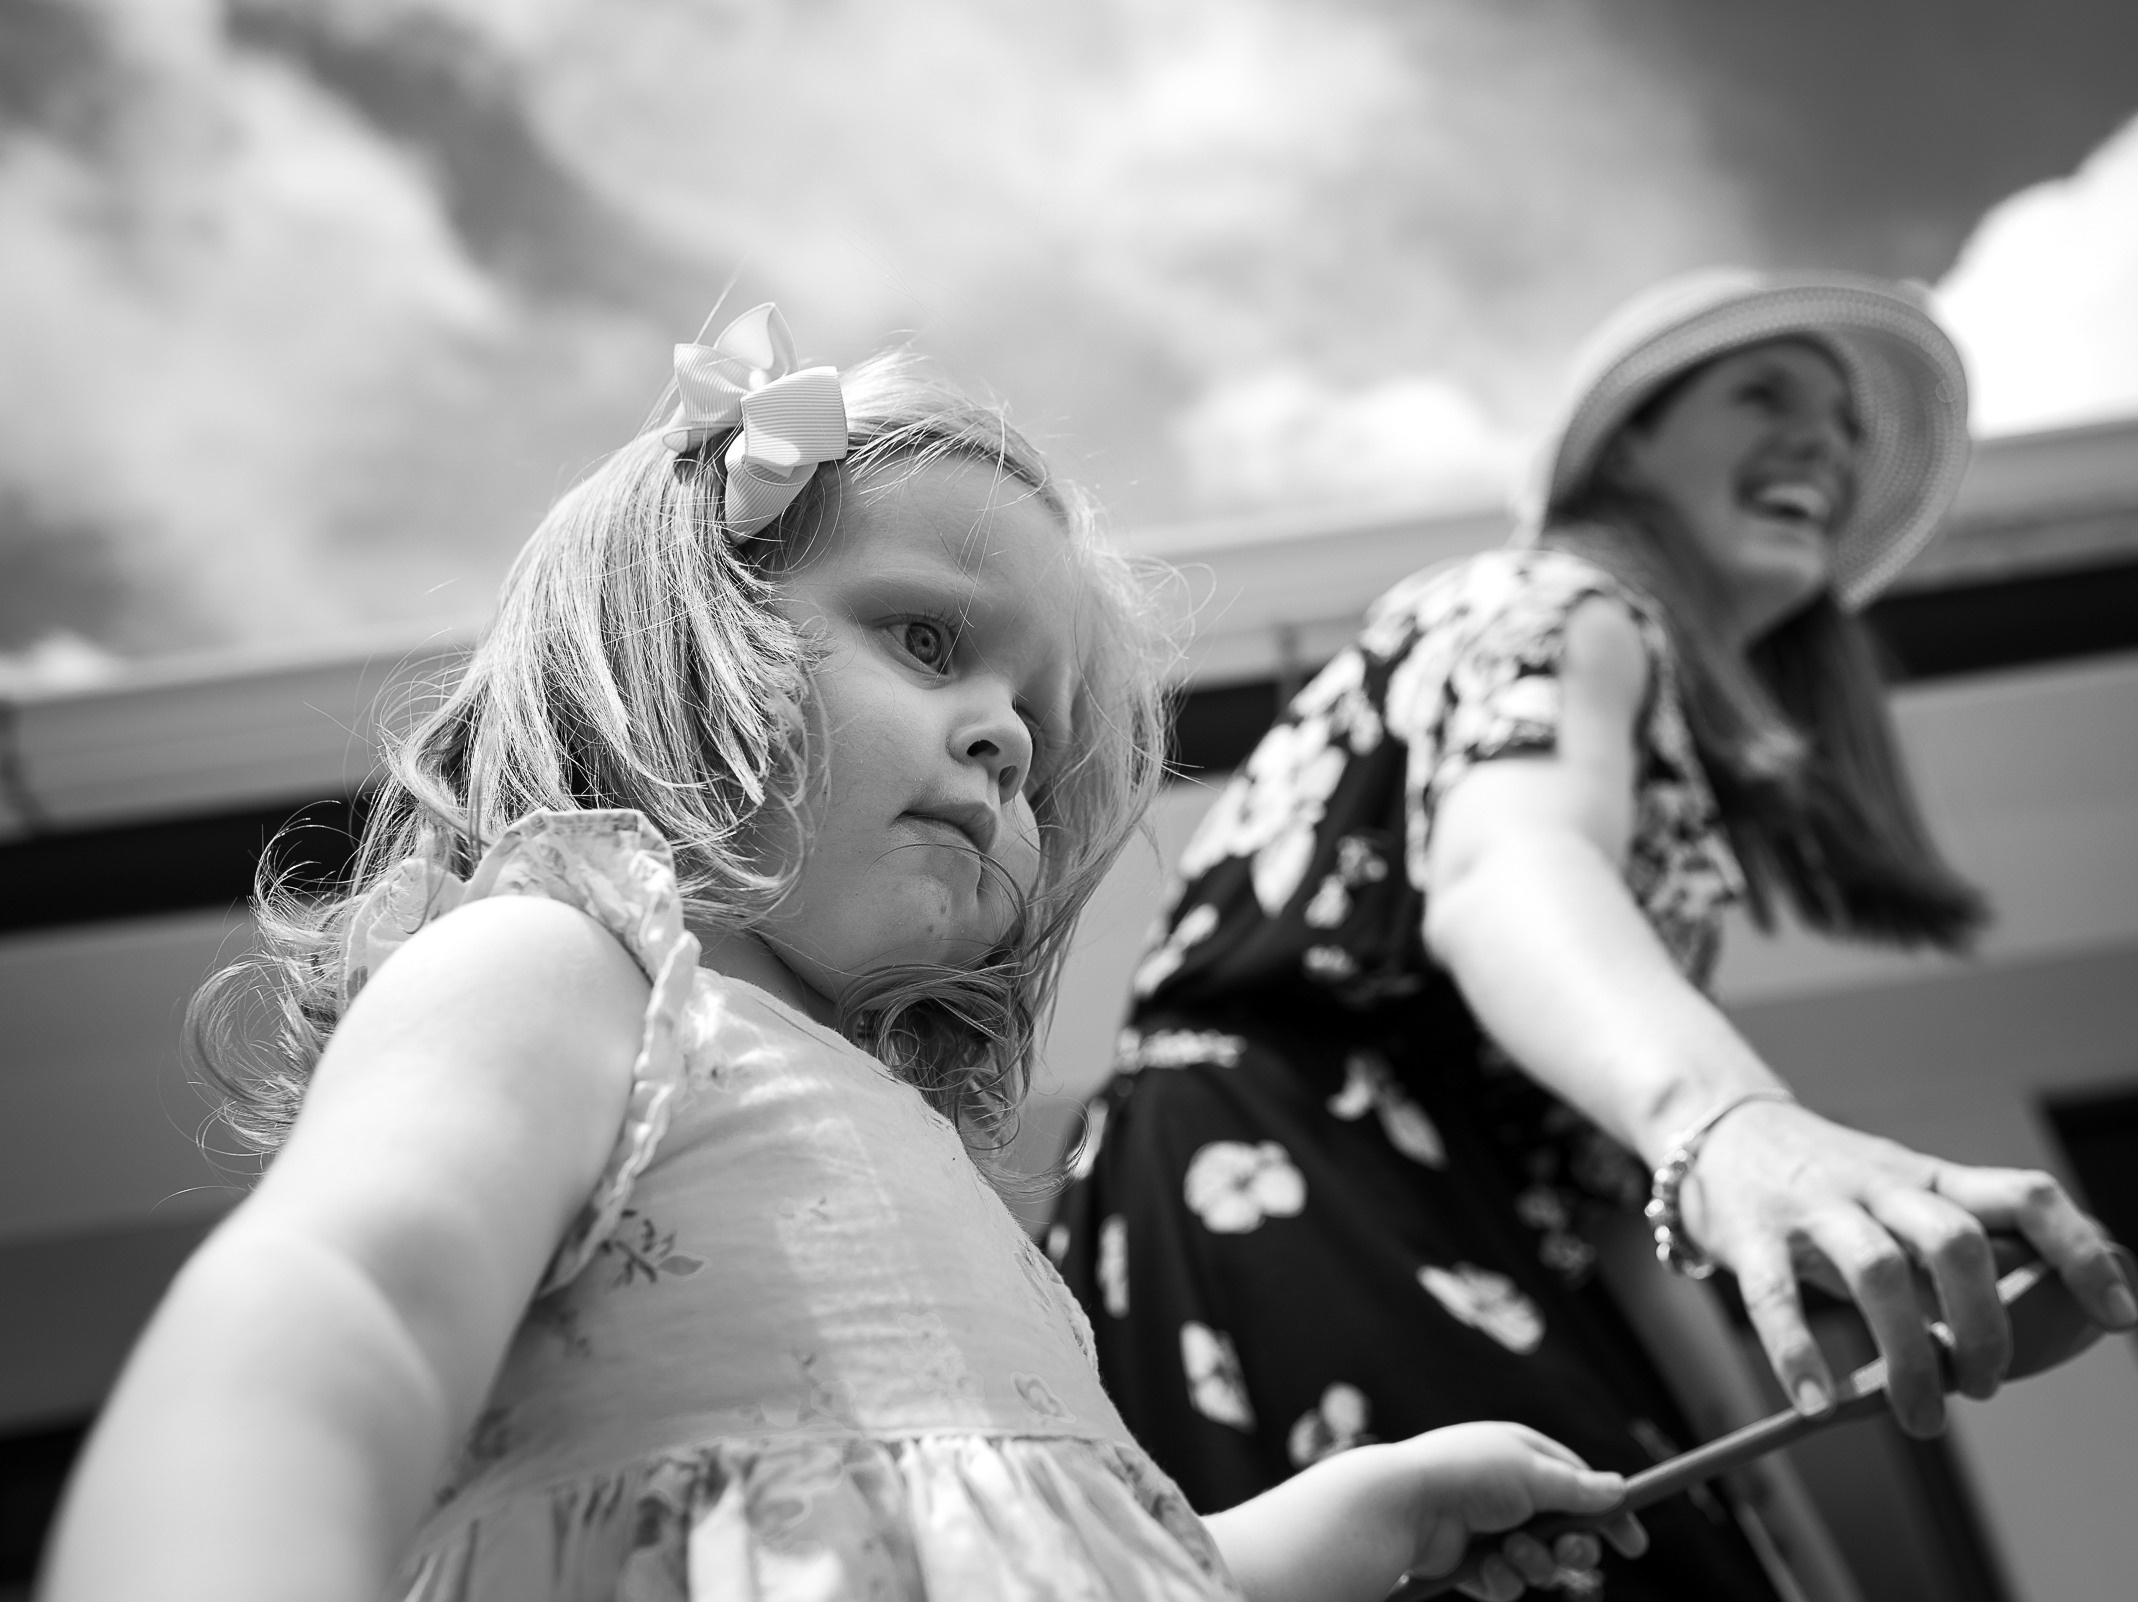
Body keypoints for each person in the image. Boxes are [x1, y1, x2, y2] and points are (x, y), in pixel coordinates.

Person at [38, 307, 1638, 1602]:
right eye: (930, 638)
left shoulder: (950, 1186)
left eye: (1043, 718)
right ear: (687, 621)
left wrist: (1335, 1527)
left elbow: (1033, 1545)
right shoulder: (563, 974)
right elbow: (340, 1313)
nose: (1008, 734)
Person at [1049, 270, 2138, 1601]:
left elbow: (1606, 1206)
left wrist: (1763, 1524)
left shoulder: (1608, 670)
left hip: (1425, 1225)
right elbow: (1507, 858)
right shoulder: (1561, 607)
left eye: (1848, 430)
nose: (1823, 446)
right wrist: (1728, 1119)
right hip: (1320, 1198)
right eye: (1767, 395)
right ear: (1630, 442)